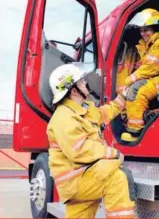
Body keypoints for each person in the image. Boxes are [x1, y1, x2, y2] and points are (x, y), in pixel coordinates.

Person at [47, 63, 135, 218]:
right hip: (77, 181)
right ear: (74, 90)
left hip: (82, 177)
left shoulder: (84, 109)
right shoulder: (63, 117)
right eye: (81, 81)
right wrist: (113, 154)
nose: (85, 83)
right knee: (115, 179)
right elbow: (79, 149)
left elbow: (104, 113)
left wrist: (122, 98)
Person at [121, 8, 159, 142]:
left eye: (147, 30)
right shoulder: (145, 45)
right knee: (130, 89)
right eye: (141, 30)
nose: (143, 33)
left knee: (136, 89)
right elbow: (143, 66)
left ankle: (135, 132)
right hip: (154, 77)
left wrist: (130, 79)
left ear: (154, 29)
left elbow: (151, 68)